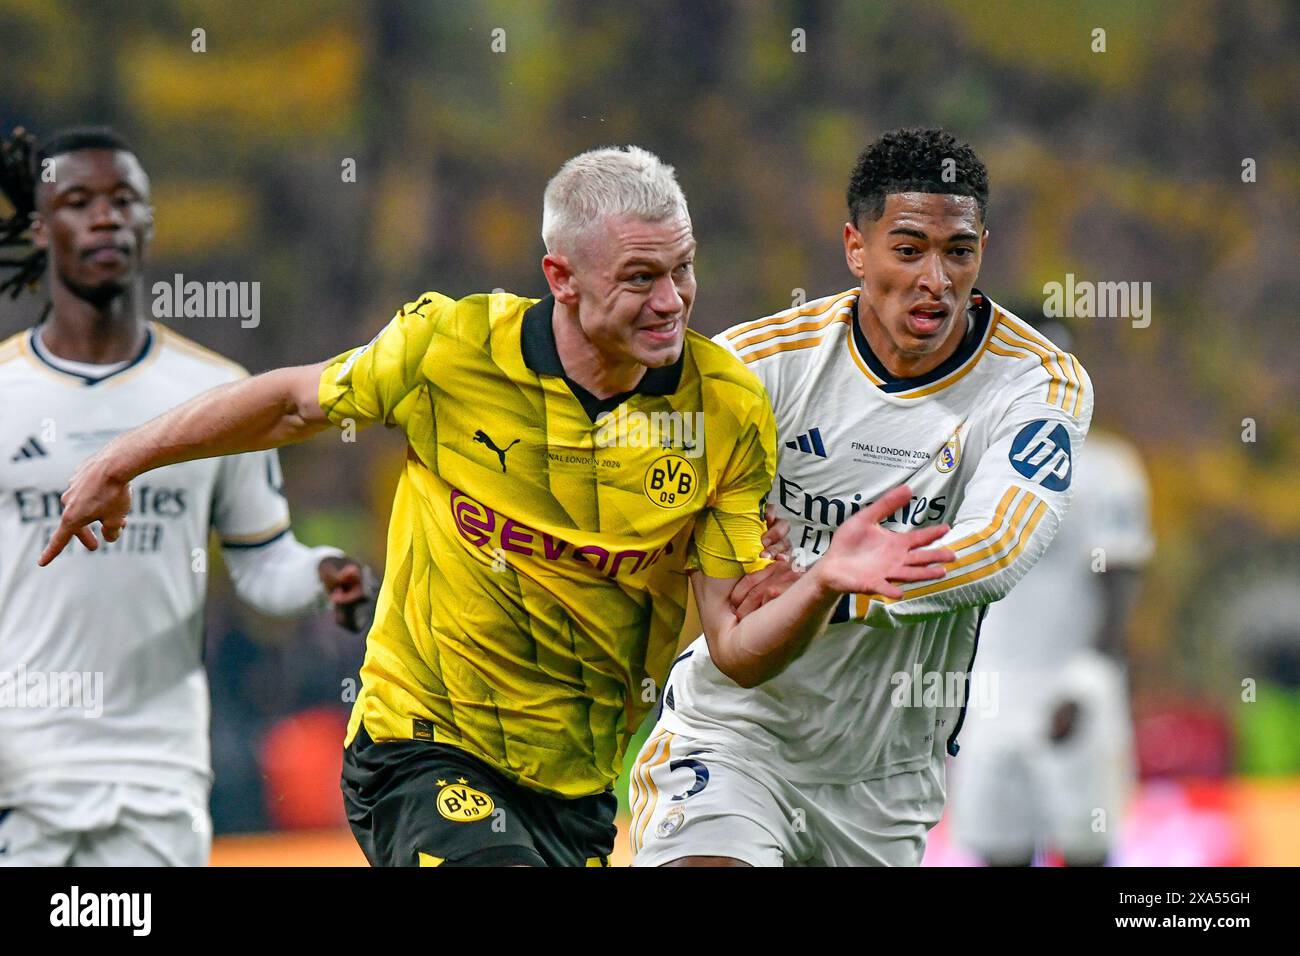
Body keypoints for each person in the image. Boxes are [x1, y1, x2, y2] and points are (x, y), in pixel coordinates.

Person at [40, 144, 954, 867]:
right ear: (561, 279)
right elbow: (292, 401)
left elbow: (734, 647)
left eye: (683, 270)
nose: (672, 301)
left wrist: (825, 582)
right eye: (640, 278)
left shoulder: (725, 411)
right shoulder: (450, 348)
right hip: (423, 741)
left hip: (577, 788)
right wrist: (126, 457)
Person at [630, 127, 1093, 867]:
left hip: (884, 778)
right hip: (738, 734)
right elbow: (655, 513)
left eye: (959, 252)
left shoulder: (1037, 383)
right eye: (908, 250)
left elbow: (1000, 545)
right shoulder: (755, 367)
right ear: (856, 247)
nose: (936, 279)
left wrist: (834, 588)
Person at [0, 126, 370, 866]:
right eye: (79, 201)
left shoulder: (215, 394)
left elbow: (262, 562)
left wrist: (322, 574)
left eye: (124, 200)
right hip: (20, 767)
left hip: (159, 772)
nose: (106, 217)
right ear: (42, 227)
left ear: (148, 222)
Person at [947, 314, 1152, 867]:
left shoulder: (1106, 470)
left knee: (1085, 846)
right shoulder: (965, 461)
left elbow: (1121, 583)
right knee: (998, 848)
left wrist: (1088, 682)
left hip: (1068, 685)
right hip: (986, 690)